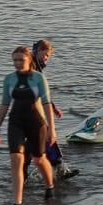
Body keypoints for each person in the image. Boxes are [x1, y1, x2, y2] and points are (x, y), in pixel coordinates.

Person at [0, 46, 59, 205]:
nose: (18, 63)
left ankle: (50, 186)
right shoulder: (8, 79)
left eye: (21, 59)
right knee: (16, 159)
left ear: (29, 59)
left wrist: (52, 130)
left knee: (39, 159)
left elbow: (47, 104)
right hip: (15, 123)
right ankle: (18, 203)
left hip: (36, 123)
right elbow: (4, 104)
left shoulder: (38, 78)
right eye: (15, 60)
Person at [30, 39, 78, 179]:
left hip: (36, 110)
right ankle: (58, 170)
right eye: (45, 55)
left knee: (45, 141)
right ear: (38, 51)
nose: (46, 59)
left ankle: (56, 169)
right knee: (48, 138)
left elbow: (43, 93)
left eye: (48, 57)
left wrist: (53, 107)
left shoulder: (37, 67)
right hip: (32, 111)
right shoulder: (32, 68)